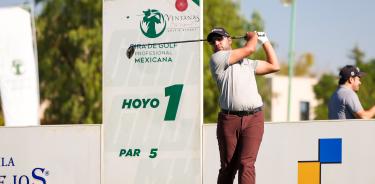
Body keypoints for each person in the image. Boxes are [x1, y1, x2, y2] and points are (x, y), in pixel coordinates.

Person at [207, 27, 280, 184]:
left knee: (246, 164)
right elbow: (250, 48)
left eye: (220, 39)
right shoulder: (217, 59)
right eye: (213, 42)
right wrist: (253, 37)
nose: (216, 43)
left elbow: (275, 66)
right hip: (229, 119)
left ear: (230, 40)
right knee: (228, 167)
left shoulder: (248, 64)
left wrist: (265, 41)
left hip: (254, 118)